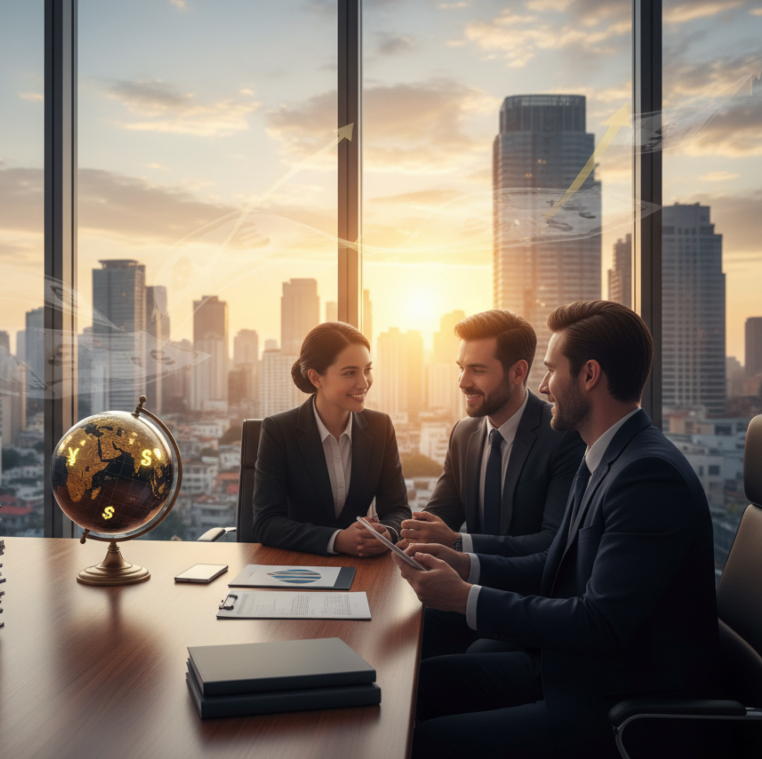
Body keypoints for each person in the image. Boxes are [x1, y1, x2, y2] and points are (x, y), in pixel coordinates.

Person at [394, 301, 718, 759]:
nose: (543, 387)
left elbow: (599, 624)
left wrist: (464, 597)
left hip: (613, 700)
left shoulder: (646, 475)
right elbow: (554, 564)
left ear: (588, 376)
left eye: (550, 371)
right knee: (420, 685)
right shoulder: (603, 455)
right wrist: (463, 563)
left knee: (428, 742)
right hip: (572, 666)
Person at [398, 310, 584, 658]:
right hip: (466, 590)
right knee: (396, 634)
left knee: (442, 664)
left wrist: (457, 542)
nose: (462, 382)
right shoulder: (464, 433)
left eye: (477, 370)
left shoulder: (562, 436)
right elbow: (440, 516)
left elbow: (553, 543)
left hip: (528, 607)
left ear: (518, 372)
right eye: (461, 367)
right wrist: (398, 534)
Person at [253, 321, 411, 556]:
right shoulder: (279, 430)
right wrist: (336, 540)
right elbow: (266, 524)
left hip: (364, 568)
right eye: (350, 373)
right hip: (299, 568)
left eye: (367, 370)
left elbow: (398, 509)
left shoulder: (380, 427)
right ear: (316, 378)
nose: (364, 382)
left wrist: (387, 533)